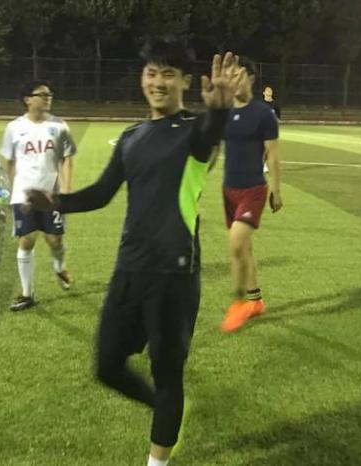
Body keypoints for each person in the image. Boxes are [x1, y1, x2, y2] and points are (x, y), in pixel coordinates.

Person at [24, 38, 243, 466]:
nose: (158, 82)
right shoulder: (131, 137)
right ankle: (167, 410)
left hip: (174, 273)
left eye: (168, 74)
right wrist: (55, 202)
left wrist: (219, 111)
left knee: (167, 372)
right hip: (130, 267)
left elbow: (210, 133)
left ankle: (158, 454)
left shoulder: (195, 132)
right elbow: (102, 193)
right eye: (151, 73)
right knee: (107, 366)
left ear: (185, 81)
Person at [0, 80, 77, 311]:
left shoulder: (59, 126)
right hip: (24, 195)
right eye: (42, 94)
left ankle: (59, 267)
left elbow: (67, 159)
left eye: (49, 94)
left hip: (51, 194)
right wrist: (16, 188)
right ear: (27, 99)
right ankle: (27, 294)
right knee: (26, 239)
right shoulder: (14, 127)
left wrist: (66, 190)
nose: (48, 98)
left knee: (55, 240)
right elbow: (8, 161)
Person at [219, 57, 282, 333]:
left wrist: (276, 190)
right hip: (228, 190)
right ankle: (256, 301)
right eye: (230, 75)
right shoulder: (223, 113)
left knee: (236, 243)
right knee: (245, 248)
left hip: (254, 189)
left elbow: (273, 155)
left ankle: (238, 303)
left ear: (251, 79)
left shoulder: (263, 114)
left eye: (239, 75)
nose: (234, 80)